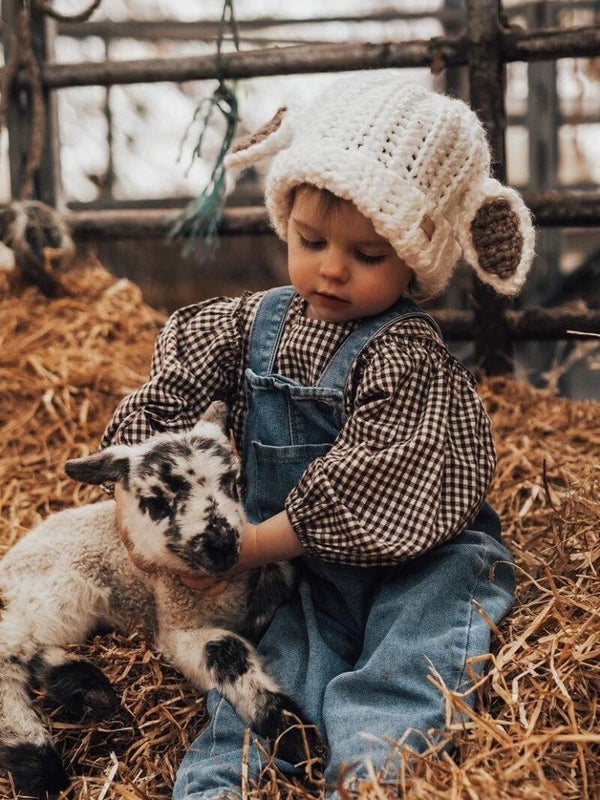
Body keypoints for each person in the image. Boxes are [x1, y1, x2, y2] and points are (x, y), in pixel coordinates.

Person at [101, 72, 535, 799]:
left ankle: (371, 776)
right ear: (287, 220)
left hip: (422, 564)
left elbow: (372, 479)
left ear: (415, 263)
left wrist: (245, 549)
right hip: (310, 577)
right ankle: (218, 785)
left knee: (410, 663)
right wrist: (140, 505)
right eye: (311, 240)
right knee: (272, 679)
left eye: (368, 256)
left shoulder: (406, 357)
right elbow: (166, 398)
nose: (331, 267)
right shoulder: (248, 324)